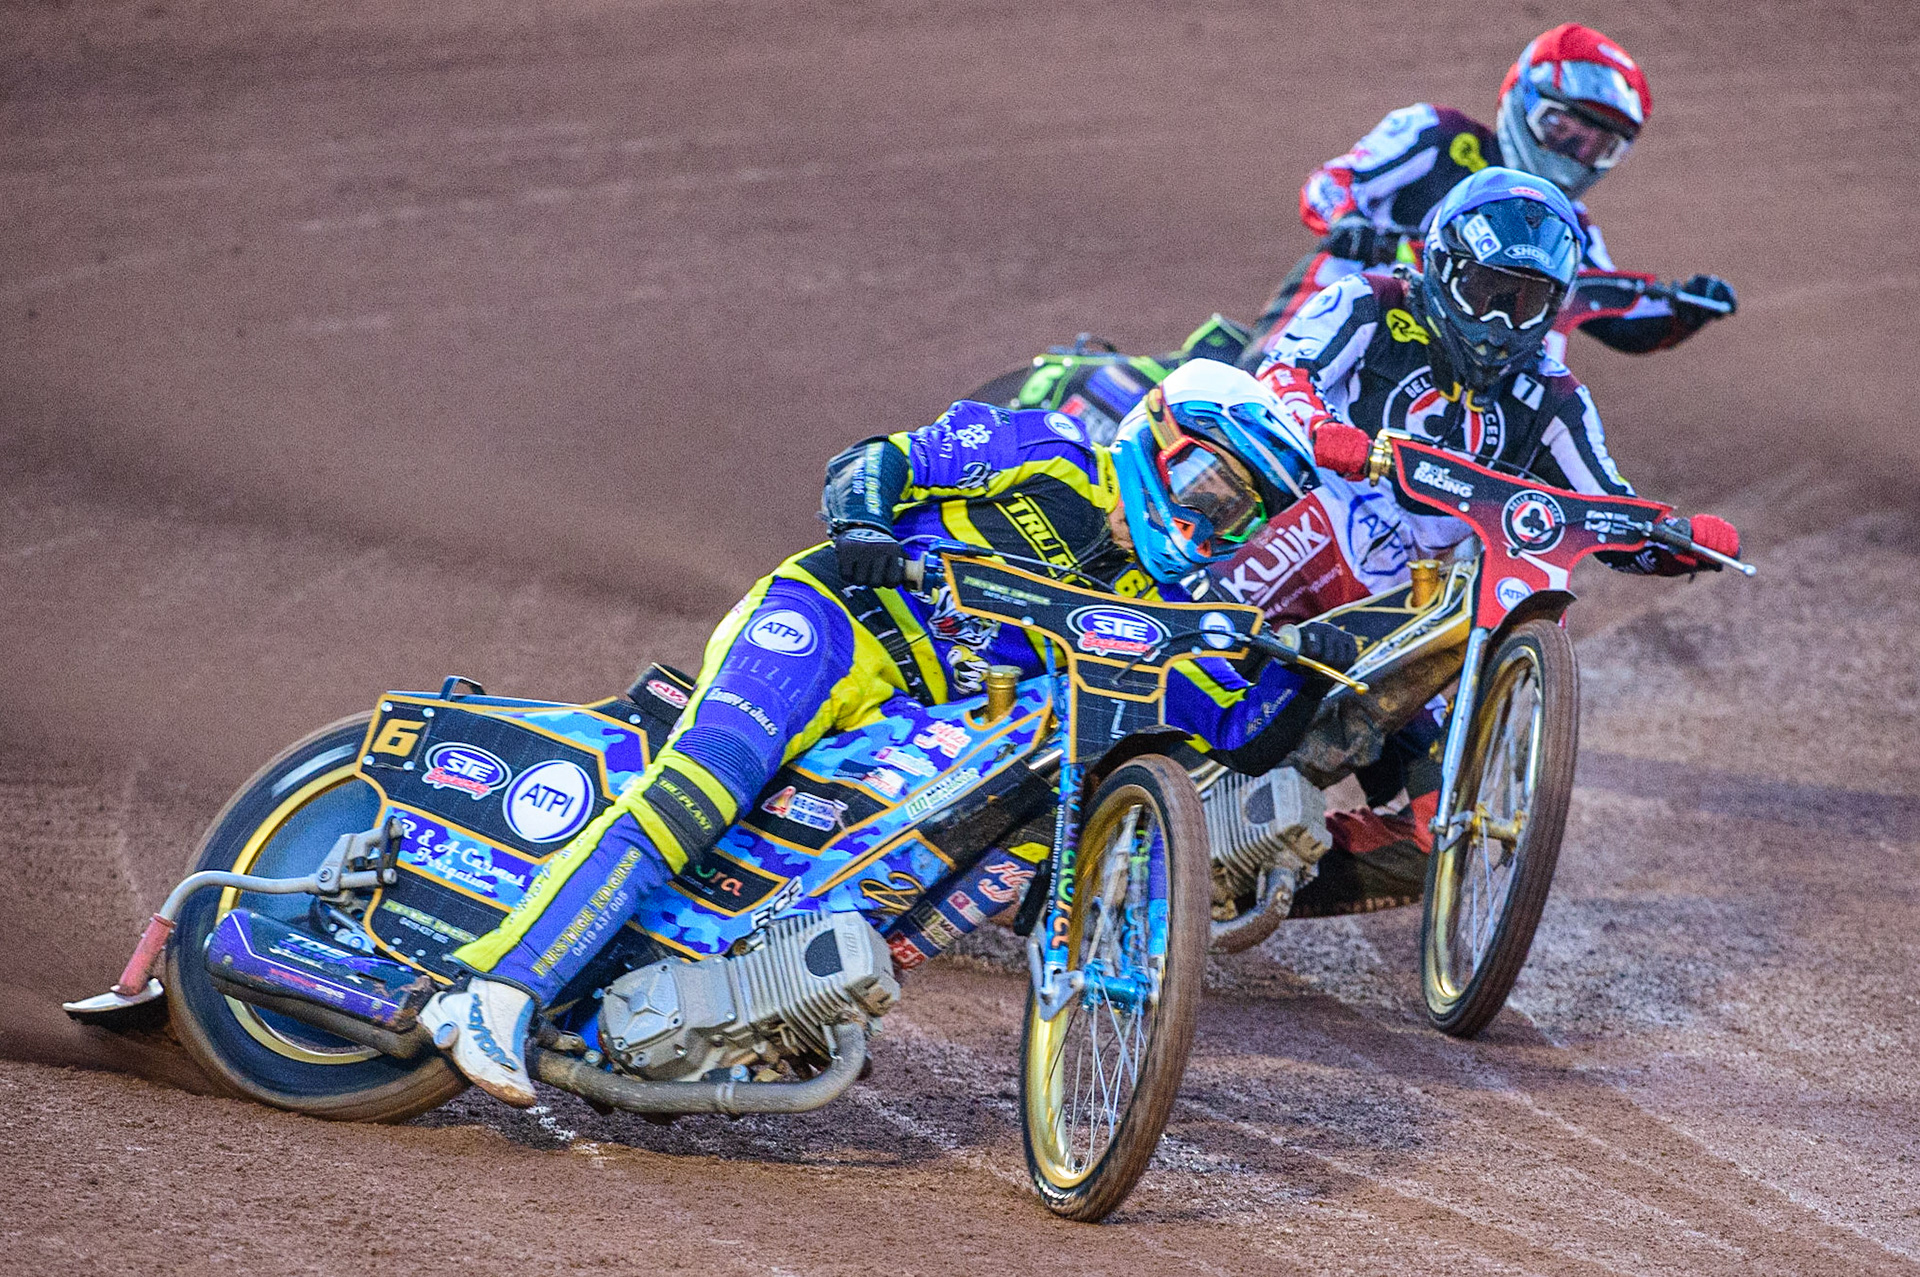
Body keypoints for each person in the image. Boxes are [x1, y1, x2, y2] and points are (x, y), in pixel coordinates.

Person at [421, 360, 1353, 1106]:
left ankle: (762, 996)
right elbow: (880, 460)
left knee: (988, 845)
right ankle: (494, 991)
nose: (1206, 519)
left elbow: (1242, 727)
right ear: (1157, 434)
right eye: (1205, 482)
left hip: (920, 719)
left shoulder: (1169, 607)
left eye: (1239, 511)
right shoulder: (1051, 450)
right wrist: (867, 522)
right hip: (833, 622)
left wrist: (1332, 676)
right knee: (701, 790)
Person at [1220, 166, 1742, 917]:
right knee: (1189, 636)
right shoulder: (1371, 303)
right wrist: (1320, 428)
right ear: (1443, 269)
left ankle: (1237, 876)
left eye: (1527, 303)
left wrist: (1675, 539)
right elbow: (1280, 372)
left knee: (1446, 838)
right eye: (1489, 293)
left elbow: (1604, 504)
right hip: (1299, 530)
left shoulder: (1553, 396)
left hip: (1414, 614)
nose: (1502, 323)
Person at [1246, 22, 1736, 362]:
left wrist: (1686, 309)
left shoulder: (1571, 226)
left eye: (1598, 145)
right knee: (1243, 415)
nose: (1573, 151)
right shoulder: (1438, 136)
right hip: (1331, 326)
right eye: (1563, 128)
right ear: (1522, 101)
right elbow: (1329, 183)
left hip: (1437, 379)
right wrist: (1349, 222)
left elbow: (1613, 313)